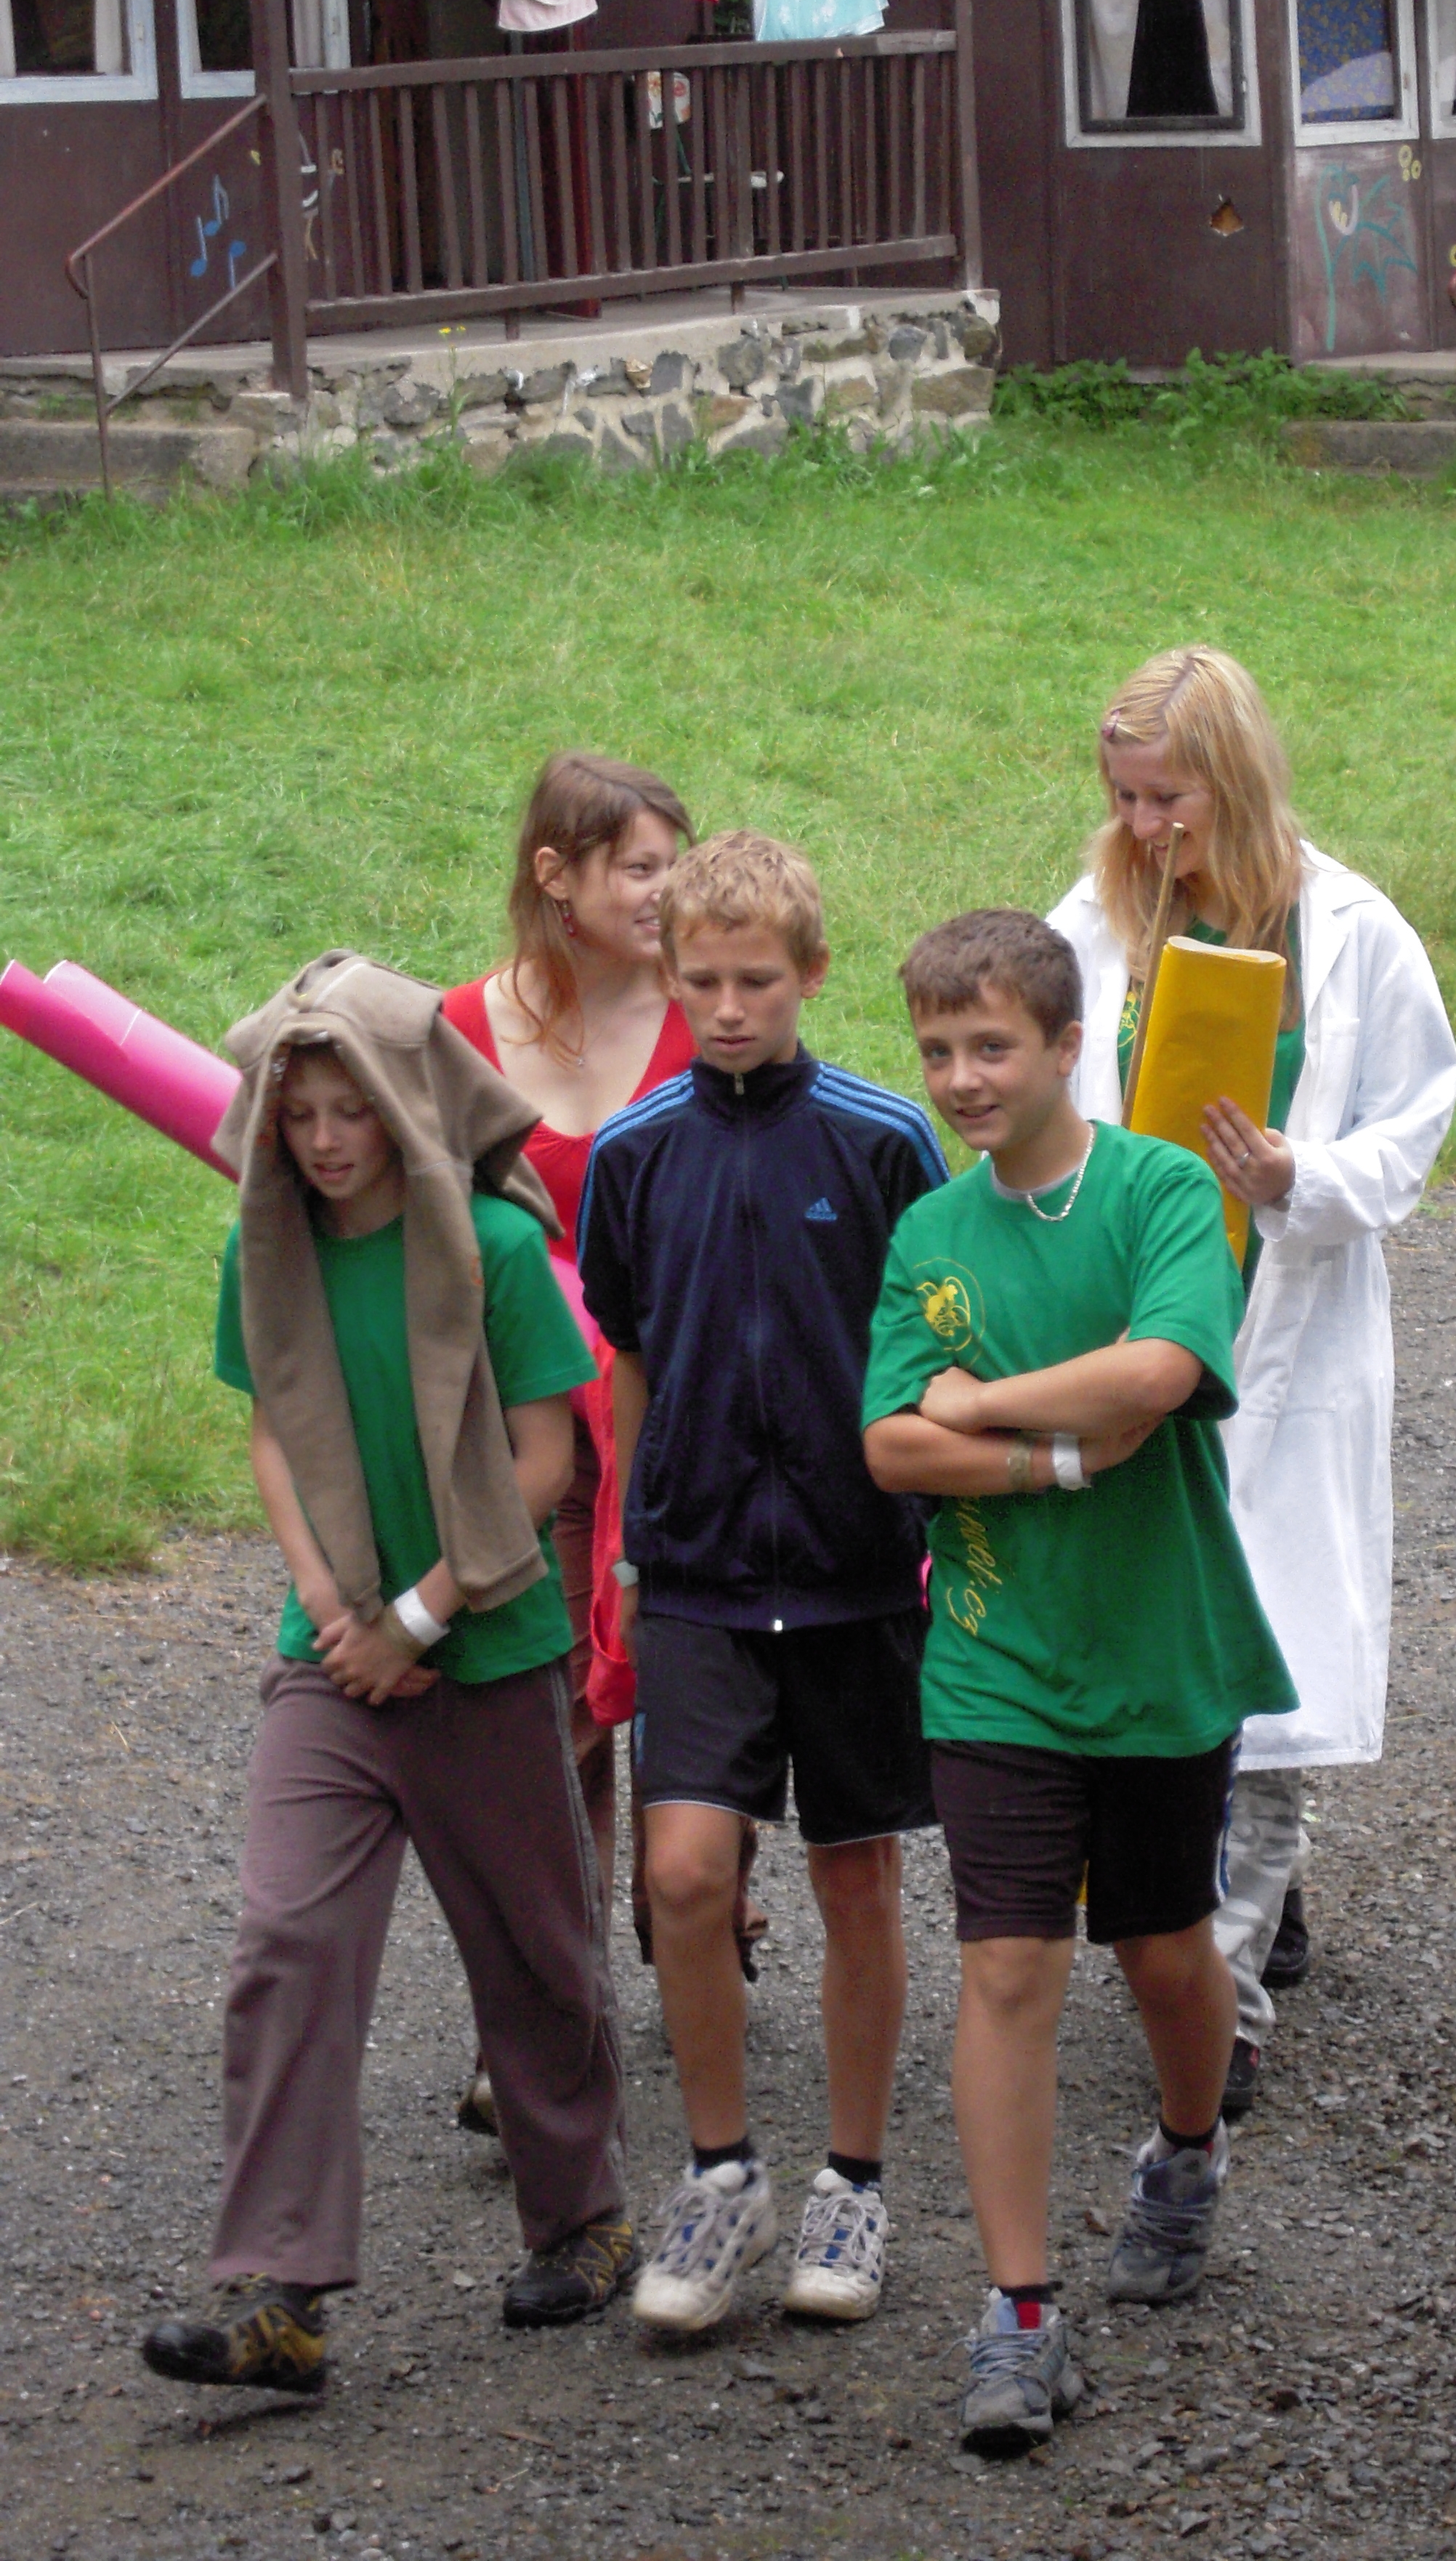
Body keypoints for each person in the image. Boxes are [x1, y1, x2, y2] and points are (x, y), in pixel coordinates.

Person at [140, 954, 629, 2397]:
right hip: (334, 1663)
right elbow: (275, 1432)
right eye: (298, 1116)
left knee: (534, 1952)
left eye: (350, 1111)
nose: (324, 1141)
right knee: (284, 1937)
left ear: (408, 1105)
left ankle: (584, 2219)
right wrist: (328, 1604)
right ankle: (278, 2293)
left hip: (483, 1651)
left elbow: (544, 1458)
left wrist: (416, 1617)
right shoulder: (268, 1250)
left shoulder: (489, 1245)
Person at [862, 908, 1296, 2451]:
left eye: (991, 1046)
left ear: (1065, 1047)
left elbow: (1160, 1371)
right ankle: (1019, 2316)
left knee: (1166, 1953)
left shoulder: (1162, 1188)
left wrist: (976, 1402)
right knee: (1007, 1968)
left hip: (1162, 1651)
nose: (961, 1078)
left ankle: (1185, 2147)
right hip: (994, 1662)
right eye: (937, 1051)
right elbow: (889, 1443)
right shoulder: (929, 1232)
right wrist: (1053, 1455)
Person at [1046, 645, 1456, 2118]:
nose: (1146, 827)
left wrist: (1302, 1175)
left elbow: (1414, 1118)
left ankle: (1225, 1996)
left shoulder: (1351, 936)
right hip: (1141, 1331)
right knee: (1150, 1657)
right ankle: (1229, 1908)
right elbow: (1038, 1092)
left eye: (1171, 798)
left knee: (1270, 1669)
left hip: (1287, 1333)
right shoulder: (1095, 924)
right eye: (1125, 798)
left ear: (1236, 780)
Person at [578, 829, 945, 2332]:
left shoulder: (886, 1140)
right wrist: (624, 1543)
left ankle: (851, 2184)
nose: (728, 1009)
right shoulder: (633, 1153)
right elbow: (628, 1356)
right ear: (667, 974)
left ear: (812, 974)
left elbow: (935, 1344)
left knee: (856, 1875)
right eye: (703, 981)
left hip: (858, 1574)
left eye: (757, 982)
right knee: (682, 1872)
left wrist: (930, 1527)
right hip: (698, 1568)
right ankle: (720, 2174)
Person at [442, 755, 745, 2137]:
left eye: (674, 865)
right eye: (639, 868)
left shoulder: (714, 1012)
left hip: (692, 1436)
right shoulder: (456, 1031)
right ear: (554, 874)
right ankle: (545, 2029)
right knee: (549, 1721)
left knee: (698, 1702)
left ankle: (700, 1922)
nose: (666, 893)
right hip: (531, 1443)